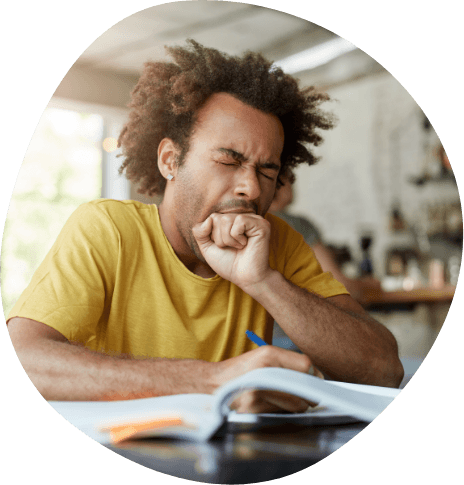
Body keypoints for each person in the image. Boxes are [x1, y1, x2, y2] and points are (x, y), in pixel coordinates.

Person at [7, 40, 403, 412]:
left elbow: (384, 370)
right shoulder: (108, 229)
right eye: (229, 160)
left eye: (268, 169)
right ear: (170, 161)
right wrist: (215, 381)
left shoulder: (278, 243)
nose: (250, 187)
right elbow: (23, 361)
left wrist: (264, 280)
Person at [268, 173, 383, 305]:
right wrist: (370, 285)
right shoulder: (298, 225)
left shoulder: (251, 222)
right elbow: (337, 286)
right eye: (290, 177)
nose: (294, 183)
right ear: (278, 183)